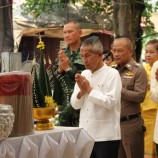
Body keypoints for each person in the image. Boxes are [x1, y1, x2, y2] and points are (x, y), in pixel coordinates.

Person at [71, 36, 122, 158]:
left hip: (106, 136)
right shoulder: (84, 74)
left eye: (87, 55)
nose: (84, 60)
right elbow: (75, 105)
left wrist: (89, 89)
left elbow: (111, 102)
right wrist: (82, 91)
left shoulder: (112, 74)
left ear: (99, 54)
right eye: (82, 56)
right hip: (85, 134)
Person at [111, 36, 148, 158]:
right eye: (114, 50)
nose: (116, 54)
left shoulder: (138, 70)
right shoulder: (112, 70)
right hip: (113, 123)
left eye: (120, 51)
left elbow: (140, 96)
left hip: (130, 124)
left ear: (130, 52)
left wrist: (119, 90)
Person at [52, 20, 85, 126]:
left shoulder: (87, 53)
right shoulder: (62, 54)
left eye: (70, 32)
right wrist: (60, 70)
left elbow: (88, 76)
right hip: (65, 106)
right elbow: (53, 79)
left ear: (80, 33)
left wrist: (67, 69)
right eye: (65, 32)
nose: (67, 35)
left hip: (82, 103)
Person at [141, 39, 158, 158]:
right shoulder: (143, 68)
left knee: (153, 141)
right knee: (145, 141)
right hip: (143, 110)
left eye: (151, 52)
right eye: (146, 52)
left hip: (155, 110)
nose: (147, 55)